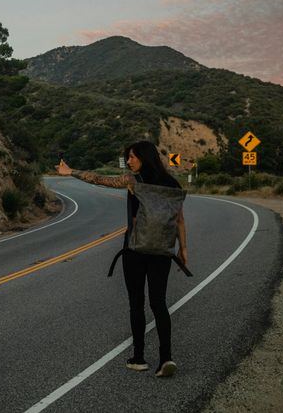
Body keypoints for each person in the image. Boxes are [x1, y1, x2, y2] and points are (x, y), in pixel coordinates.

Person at [56, 141, 187, 378]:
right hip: (162, 251)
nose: (128, 161)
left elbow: (100, 179)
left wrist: (70, 171)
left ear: (144, 158)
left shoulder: (133, 181)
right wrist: (183, 249)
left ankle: (139, 358)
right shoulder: (172, 184)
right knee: (159, 303)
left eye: (132, 157)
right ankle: (166, 358)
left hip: (135, 249)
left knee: (136, 302)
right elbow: (179, 219)